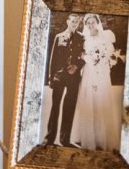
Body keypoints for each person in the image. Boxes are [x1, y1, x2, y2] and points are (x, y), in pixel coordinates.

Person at [70, 13, 122, 151]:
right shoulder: (84, 37)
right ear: (85, 25)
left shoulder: (106, 35)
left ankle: (101, 137)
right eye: (88, 23)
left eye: (93, 22)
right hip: (89, 71)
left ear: (97, 22)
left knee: (101, 98)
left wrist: (104, 58)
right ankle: (88, 136)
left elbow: (111, 53)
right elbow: (81, 54)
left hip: (102, 71)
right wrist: (88, 58)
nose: (90, 25)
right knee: (89, 98)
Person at [43, 13, 85, 147]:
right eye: (72, 21)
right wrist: (50, 78)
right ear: (67, 22)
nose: (74, 24)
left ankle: (65, 139)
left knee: (69, 107)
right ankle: (49, 138)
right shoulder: (59, 36)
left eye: (77, 22)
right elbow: (53, 58)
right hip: (59, 77)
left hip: (73, 77)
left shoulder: (82, 38)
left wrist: (76, 66)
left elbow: (84, 57)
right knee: (55, 107)